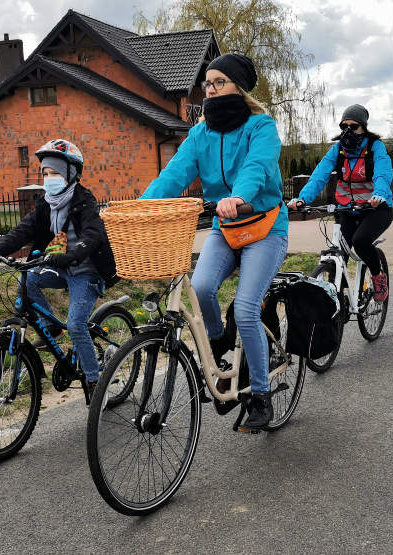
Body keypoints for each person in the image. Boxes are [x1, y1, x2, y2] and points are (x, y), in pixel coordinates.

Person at [139, 53, 288, 431]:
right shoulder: (199, 134)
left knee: (246, 309)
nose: (210, 89)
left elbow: (258, 166)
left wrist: (238, 196)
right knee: (201, 287)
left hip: (264, 227)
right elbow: (173, 175)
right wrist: (143, 207)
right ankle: (219, 342)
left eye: (219, 82)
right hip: (226, 229)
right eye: (207, 83)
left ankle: (260, 395)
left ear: (238, 87)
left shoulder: (262, 127)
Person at [0, 139, 119, 397]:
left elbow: (92, 235)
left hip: (87, 270)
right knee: (27, 281)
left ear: (71, 174)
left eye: (56, 173)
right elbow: (22, 231)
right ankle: (50, 326)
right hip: (57, 264)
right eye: (46, 174)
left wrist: (72, 255)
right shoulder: (45, 203)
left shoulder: (84, 200)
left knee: (76, 325)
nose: (49, 178)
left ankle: (96, 382)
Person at [287, 104, 393, 302]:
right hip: (347, 209)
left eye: (353, 127)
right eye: (344, 126)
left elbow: (383, 173)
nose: (348, 131)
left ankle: (378, 278)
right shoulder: (338, 150)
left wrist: (379, 194)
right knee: (339, 254)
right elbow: (319, 175)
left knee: (360, 241)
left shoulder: (375, 147)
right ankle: (338, 300)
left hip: (376, 209)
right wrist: (302, 199)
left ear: (363, 127)